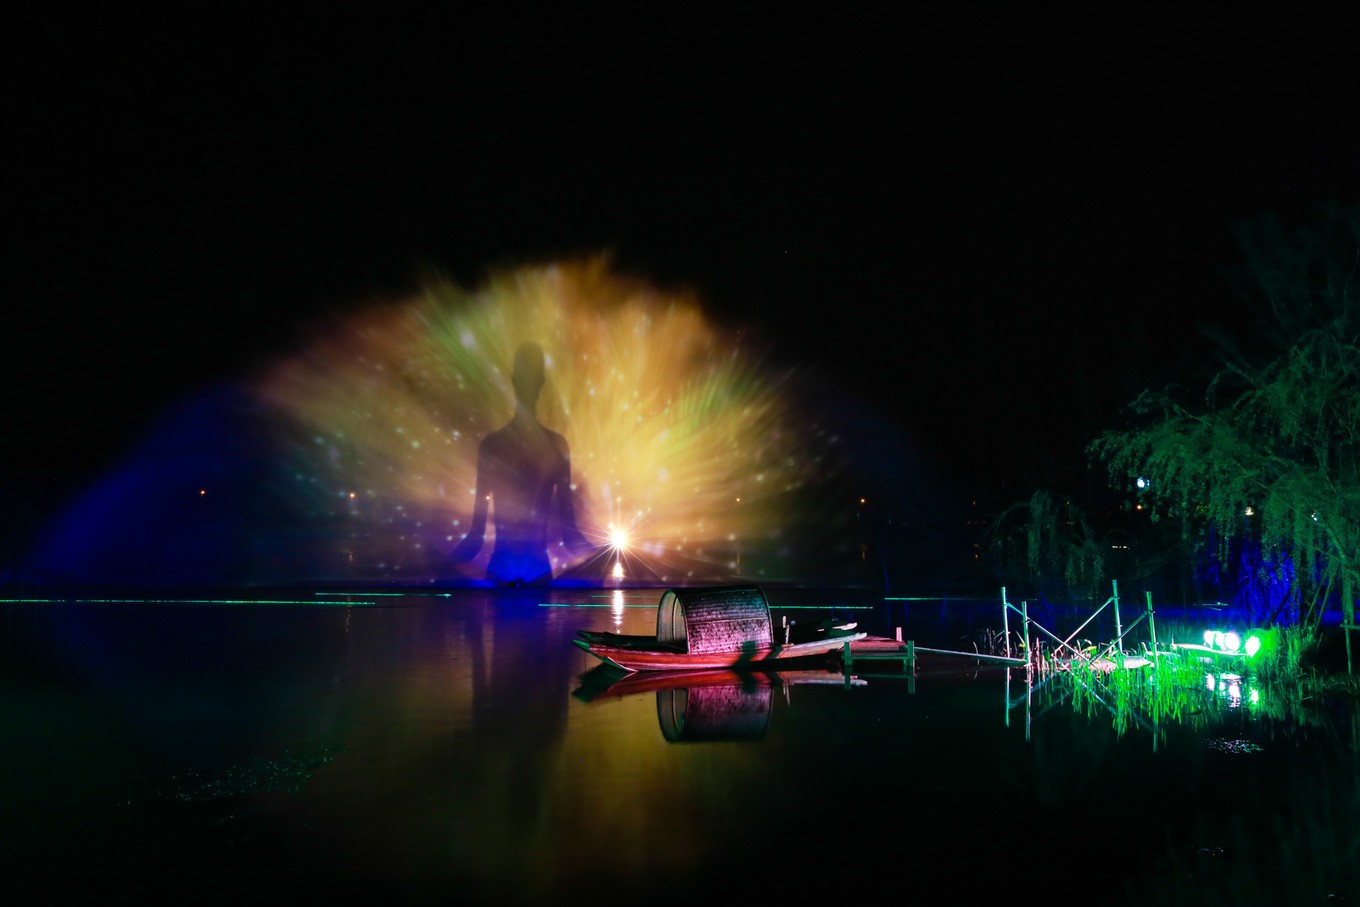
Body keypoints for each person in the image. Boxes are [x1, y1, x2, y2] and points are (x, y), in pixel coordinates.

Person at [444, 342, 590, 584]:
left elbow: (475, 537)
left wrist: (441, 565)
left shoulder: (492, 446)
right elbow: (570, 538)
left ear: (513, 380)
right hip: (539, 575)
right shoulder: (555, 445)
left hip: (502, 573)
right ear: (542, 383)